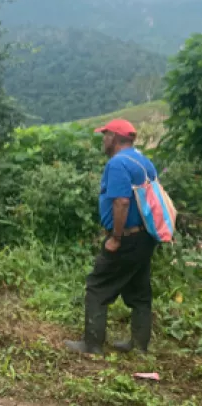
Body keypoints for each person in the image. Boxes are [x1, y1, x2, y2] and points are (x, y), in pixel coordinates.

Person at [65, 119, 158, 355]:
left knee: (97, 286)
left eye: (105, 135)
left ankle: (92, 344)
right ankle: (139, 346)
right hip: (145, 237)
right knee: (139, 291)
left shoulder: (117, 164)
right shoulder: (144, 162)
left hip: (126, 238)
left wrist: (116, 237)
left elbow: (121, 201)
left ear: (114, 138)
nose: (103, 140)